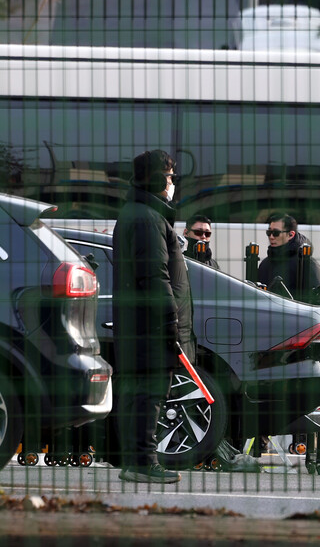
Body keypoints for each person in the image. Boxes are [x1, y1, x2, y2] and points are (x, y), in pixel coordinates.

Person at [112, 149, 193, 484]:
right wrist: (170, 323)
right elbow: (156, 276)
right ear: (158, 177)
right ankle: (144, 462)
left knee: (138, 393)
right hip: (149, 327)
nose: (173, 182)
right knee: (150, 394)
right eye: (170, 175)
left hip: (138, 325)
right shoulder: (147, 217)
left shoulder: (140, 213)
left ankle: (136, 461)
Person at [257, 212, 320, 300]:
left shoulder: (306, 263)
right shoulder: (264, 264)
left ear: (291, 235)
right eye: (269, 232)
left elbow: (317, 299)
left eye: (276, 233)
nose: (271, 237)